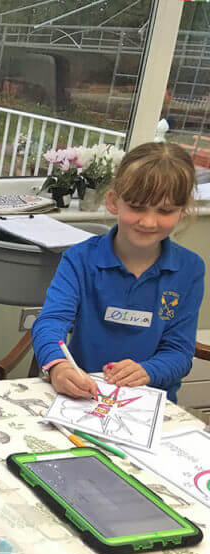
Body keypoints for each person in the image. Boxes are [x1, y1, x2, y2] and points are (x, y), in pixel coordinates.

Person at [32, 142, 205, 403]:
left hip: (149, 403)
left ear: (182, 211)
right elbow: (50, 323)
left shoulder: (190, 269)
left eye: (165, 211)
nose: (148, 222)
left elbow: (179, 352)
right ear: (114, 202)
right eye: (137, 207)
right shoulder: (80, 259)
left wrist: (148, 370)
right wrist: (58, 366)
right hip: (84, 396)